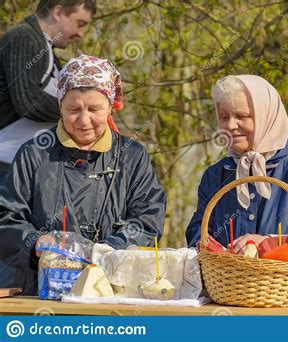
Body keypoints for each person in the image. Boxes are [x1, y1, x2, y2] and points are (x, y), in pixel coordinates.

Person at [0, 54, 166, 295]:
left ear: (110, 105)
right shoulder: (34, 154)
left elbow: (149, 217)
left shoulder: (132, 156)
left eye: (94, 109)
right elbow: (5, 215)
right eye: (74, 109)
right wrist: (34, 241)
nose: (84, 120)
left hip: (111, 289)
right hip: (37, 288)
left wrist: (112, 248)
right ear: (60, 106)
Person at [186, 75, 288, 304]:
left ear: (267, 116)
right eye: (224, 117)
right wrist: (223, 257)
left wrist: (264, 245)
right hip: (228, 302)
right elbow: (197, 237)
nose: (230, 125)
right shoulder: (215, 176)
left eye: (242, 116)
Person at [0, 0, 96, 176]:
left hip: (27, 168)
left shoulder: (46, 50)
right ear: (58, 12)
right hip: (6, 166)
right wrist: (82, 113)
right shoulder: (23, 37)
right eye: (80, 24)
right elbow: (29, 101)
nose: (81, 34)